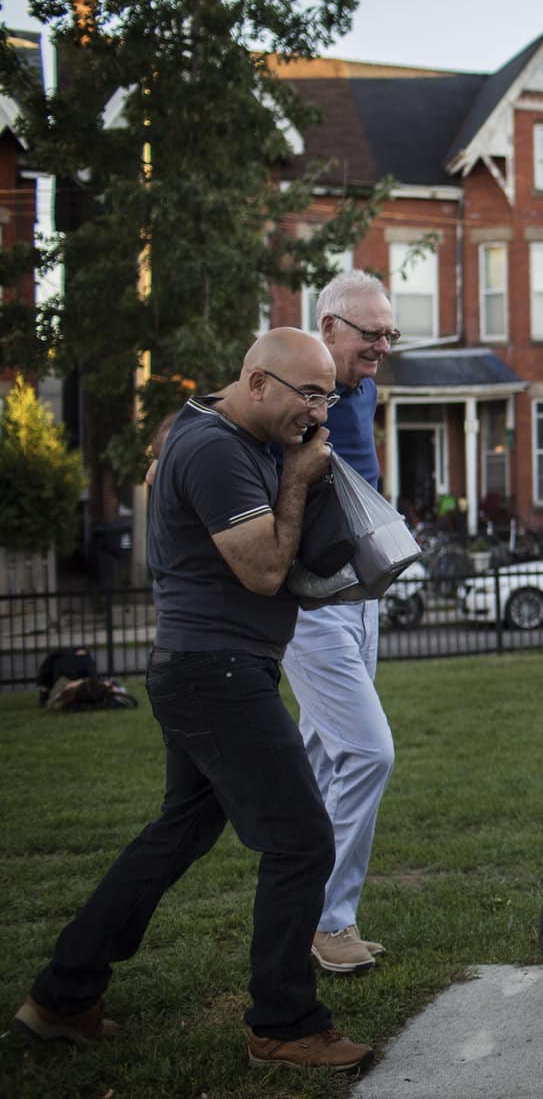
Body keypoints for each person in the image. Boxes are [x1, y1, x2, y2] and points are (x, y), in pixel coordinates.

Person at [13, 328, 375, 1073]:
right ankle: (283, 1021)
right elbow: (266, 571)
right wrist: (301, 478)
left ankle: (63, 994)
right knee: (303, 838)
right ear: (255, 382)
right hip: (219, 676)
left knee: (177, 833)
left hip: (208, 670)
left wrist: (295, 460)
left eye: (327, 396)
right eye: (307, 395)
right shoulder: (213, 449)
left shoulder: (219, 437)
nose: (317, 412)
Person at [283, 268, 399, 975]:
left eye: (390, 333)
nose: (382, 345)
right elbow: (224, 426)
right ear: (328, 329)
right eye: (371, 333)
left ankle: (298, 911)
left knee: (323, 759)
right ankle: (328, 922)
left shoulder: (363, 390)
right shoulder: (292, 389)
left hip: (364, 600)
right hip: (313, 607)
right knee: (367, 753)